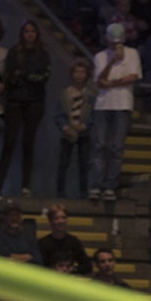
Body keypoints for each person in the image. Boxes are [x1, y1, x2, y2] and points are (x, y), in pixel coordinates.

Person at [89, 22, 141, 202]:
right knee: (100, 146)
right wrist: (111, 62)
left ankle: (110, 185)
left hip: (123, 105)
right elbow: (100, 80)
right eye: (112, 42)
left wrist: (111, 83)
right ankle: (96, 184)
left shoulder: (133, 54)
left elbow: (133, 77)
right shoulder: (100, 56)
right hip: (103, 105)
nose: (115, 46)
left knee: (116, 148)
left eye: (117, 42)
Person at [0, 20, 52, 196]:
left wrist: (25, 75)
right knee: (9, 143)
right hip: (15, 101)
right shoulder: (14, 52)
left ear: (37, 34)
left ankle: (25, 186)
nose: (29, 34)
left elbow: (44, 76)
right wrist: (18, 77)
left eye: (32, 31)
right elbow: (9, 76)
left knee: (28, 143)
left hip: (34, 102)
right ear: (22, 34)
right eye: (26, 31)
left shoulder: (43, 53)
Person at [55, 59, 94, 198]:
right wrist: (64, 126)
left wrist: (84, 125)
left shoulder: (90, 95)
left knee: (84, 164)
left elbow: (93, 114)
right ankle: (60, 192)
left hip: (84, 132)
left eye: (82, 72)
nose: (79, 75)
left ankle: (83, 192)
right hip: (68, 131)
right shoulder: (65, 94)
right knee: (63, 163)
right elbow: (58, 114)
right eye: (76, 72)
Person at [38, 204, 91, 274]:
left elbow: (87, 266)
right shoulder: (43, 243)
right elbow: (38, 268)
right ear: (50, 221)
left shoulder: (73, 241)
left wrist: (72, 269)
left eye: (63, 218)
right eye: (56, 218)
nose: (61, 221)